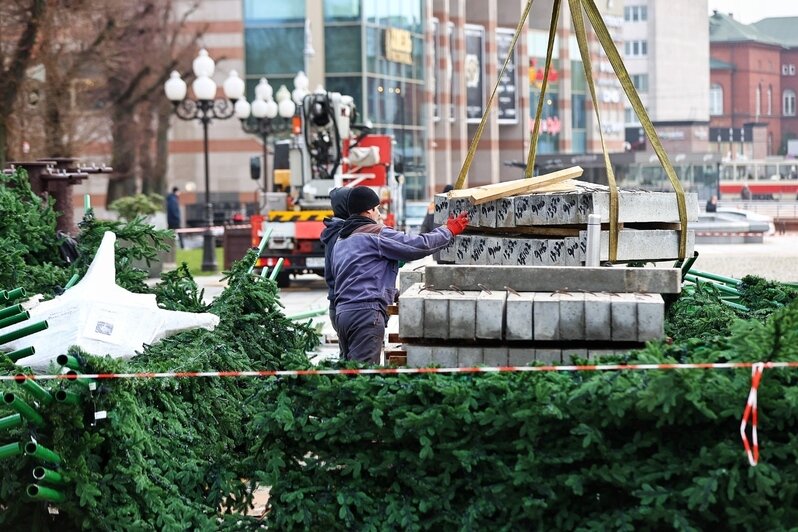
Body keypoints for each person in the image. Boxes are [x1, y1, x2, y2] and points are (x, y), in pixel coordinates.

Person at [332, 186, 468, 364]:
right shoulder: (376, 234)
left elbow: (357, 277)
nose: (379, 214)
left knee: (347, 374)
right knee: (363, 378)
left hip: (342, 315)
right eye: (378, 209)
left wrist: (393, 293)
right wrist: (448, 231)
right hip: (365, 316)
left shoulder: (341, 240)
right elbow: (418, 245)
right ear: (368, 210)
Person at [319, 187, 352, 334]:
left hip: (339, 305)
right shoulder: (342, 234)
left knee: (346, 354)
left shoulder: (336, 230)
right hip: (344, 305)